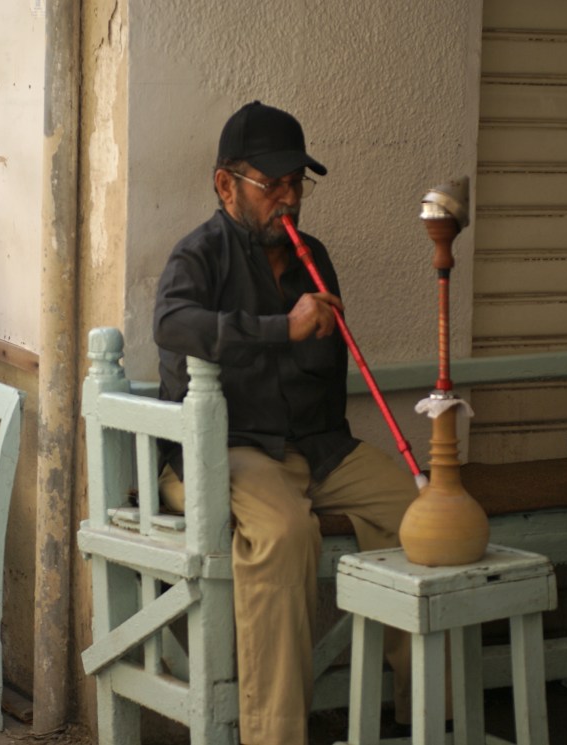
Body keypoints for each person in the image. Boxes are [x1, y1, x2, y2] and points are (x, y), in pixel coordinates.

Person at [153, 101, 414, 745]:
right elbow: (172, 325)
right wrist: (281, 328)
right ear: (226, 185)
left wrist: (323, 329)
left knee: (418, 512)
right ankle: (273, 737)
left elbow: (326, 374)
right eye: (273, 185)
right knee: (285, 536)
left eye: (298, 183)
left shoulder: (312, 255)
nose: (290, 198)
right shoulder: (199, 255)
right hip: (229, 449)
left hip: (318, 448)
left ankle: (424, 708)